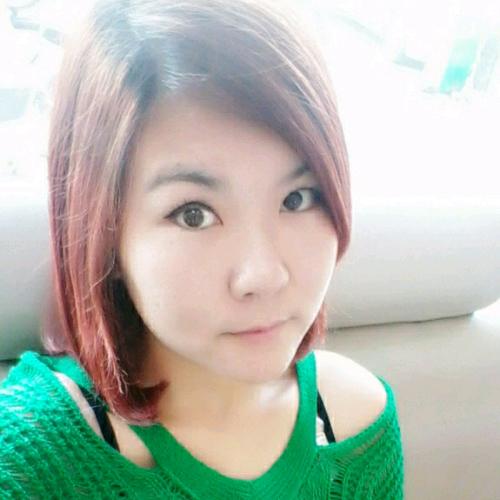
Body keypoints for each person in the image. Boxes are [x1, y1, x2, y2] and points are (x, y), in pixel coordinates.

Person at [0, 0, 404, 498]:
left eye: (298, 198)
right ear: (104, 232)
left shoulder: (358, 428)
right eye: (194, 214)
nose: (264, 276)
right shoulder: (29, 459)